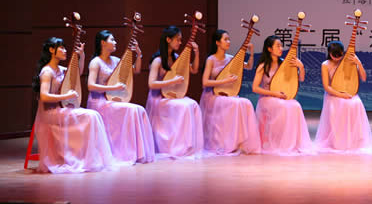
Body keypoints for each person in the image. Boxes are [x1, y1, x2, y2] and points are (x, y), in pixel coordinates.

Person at [32, 37, 115, 173]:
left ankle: (88, 158)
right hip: (50, 113)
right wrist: (66, 96)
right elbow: (44, 96)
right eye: (61, 48)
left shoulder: (61, 69)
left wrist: (81, 55)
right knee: (91, 116)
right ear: (51, 50)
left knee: (94, 115)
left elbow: (77, 73)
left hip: (60, 109)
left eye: (65, 47)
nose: (65, 50)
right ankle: (84, 158)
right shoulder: (47, 71)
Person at [87, 30, 155, 165]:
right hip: (99, 101)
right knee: (133, 110)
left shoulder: (116, 60)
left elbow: (135, 70)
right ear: (103, 42)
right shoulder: (96, 62)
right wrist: (112, 88)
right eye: (112, 40)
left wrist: (139, 54)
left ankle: (137, 153)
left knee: (139, 109)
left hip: (112, 100)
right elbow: (90, 86)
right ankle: (126, 153)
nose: (115, 42)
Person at [199, 29, 260, 155]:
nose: (228, 42)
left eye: (229, 39)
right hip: (213, 96)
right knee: (235, 103)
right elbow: (205, 82)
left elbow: (248, 66)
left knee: (246, 103)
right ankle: (226, 143)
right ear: (217, 42)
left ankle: (238, 142)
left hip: (227, 95)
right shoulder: (211, 59)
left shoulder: (231, 58)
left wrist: (251, 53)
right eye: (225, 39)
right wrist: (225, 81)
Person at [146, 26, 204, 158]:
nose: (180, 42)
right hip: (159, 98)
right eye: (177, 39)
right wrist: (171, 81)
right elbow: (151, 84)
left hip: (172, 96)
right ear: (168, 39)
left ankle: (187, 146)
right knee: (184, 106)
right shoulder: (157, 60)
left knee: (193, 104)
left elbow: (194, 70)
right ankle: (175, 146)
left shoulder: (177, 57)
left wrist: (196, 52)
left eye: (181, 40)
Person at [252, 35, 312, 154]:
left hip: (281, 97)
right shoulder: (263, 66)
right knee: (283, 106)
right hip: (267, 98)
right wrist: (274, 93)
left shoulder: (285, 63)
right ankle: (276, 142)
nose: (281, 48)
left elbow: (301, 79)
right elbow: (255, 88)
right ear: (269, 49)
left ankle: (290, 142)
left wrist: (301, 67)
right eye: (278, 46)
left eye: (281, 46)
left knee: (295, 105)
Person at [315, 41, 372, 152]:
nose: (337, 58)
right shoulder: (325, 65)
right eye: (334, 55)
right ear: (329, 53)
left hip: (348, 93)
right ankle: (338, 141)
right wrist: (341, 95)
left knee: (356, 102)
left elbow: (364, 78)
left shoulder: (349, 62)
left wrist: (358, 63)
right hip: (333, 94)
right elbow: (326, 87)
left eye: (340, 55)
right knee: (341, 103)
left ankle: (354, 140)